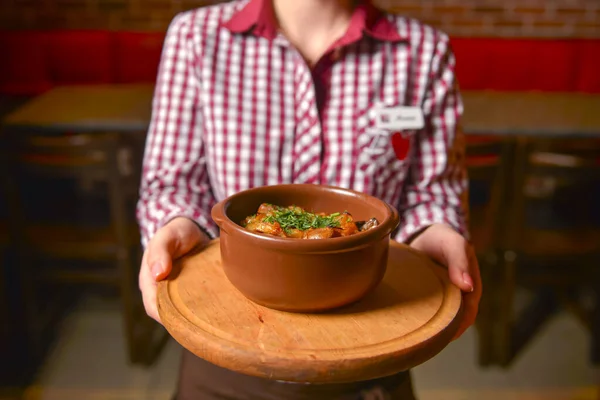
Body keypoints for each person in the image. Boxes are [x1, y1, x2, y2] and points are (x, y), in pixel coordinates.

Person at [136, 0, 481, 398]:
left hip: (371, 351)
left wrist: (438, 230)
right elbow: (172, 184)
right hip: (229, 352)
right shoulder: (196, 37)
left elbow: (432, 191)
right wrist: (176, 224)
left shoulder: (423, 50)